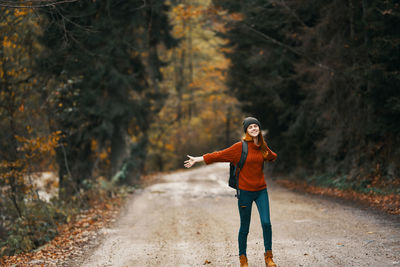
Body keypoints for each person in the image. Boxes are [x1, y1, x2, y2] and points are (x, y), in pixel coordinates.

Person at [184, 117, 278, 267]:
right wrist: (198, 158)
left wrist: (268, 154)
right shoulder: (239, 147)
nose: (254, 128)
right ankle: (243, 259)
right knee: (245, 227)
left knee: (266, 223)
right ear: (246, 131)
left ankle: (269, 257)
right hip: (245, 192)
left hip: (261, 191)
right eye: (250, 127)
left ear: (259, 129)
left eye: (256, 126)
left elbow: (272, 156)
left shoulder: (261, 145)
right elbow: (219, 155)